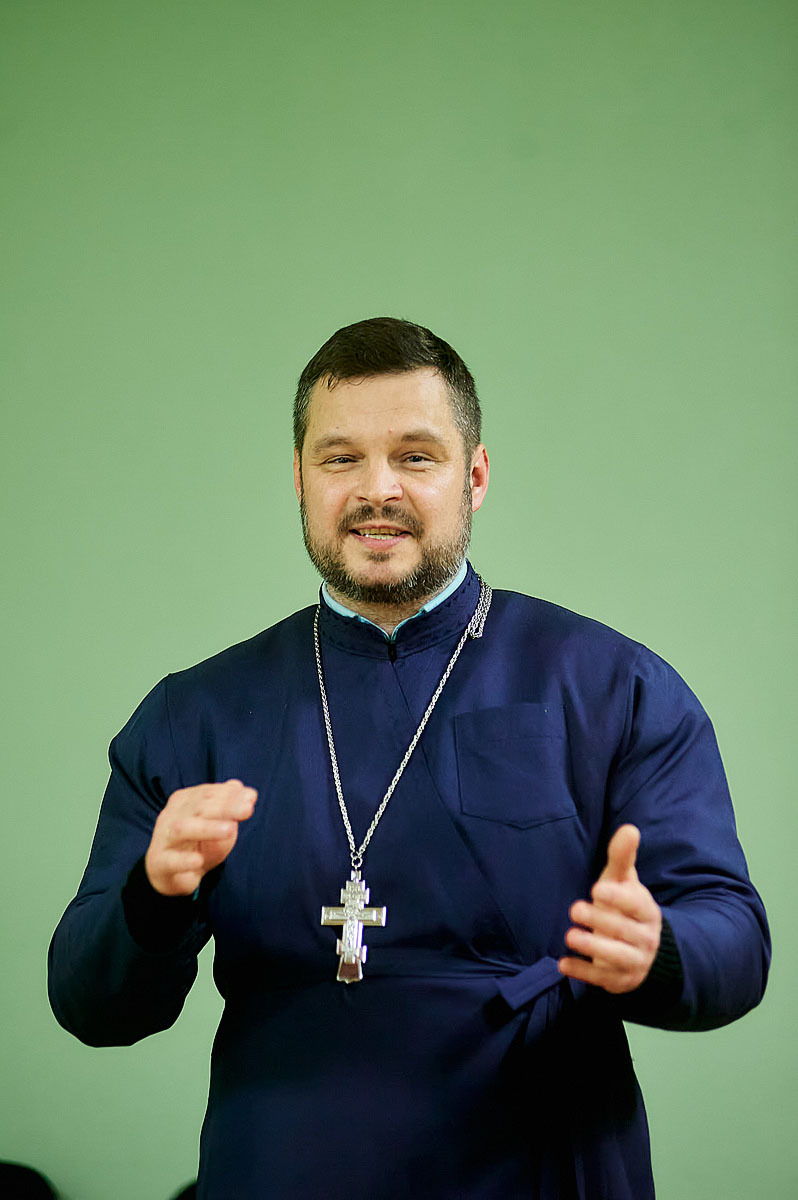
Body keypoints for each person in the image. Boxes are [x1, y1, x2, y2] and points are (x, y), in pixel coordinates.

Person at [48, 317, 770, 1199]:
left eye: (415, 456)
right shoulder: (195, 714)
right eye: (341, 459)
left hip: (541, 1168)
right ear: (300, 479)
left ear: (476, 476)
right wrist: (152, 898)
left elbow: (736, 940)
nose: (376, 489)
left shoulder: (610, 685)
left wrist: (659, 950)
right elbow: (87, 1001)